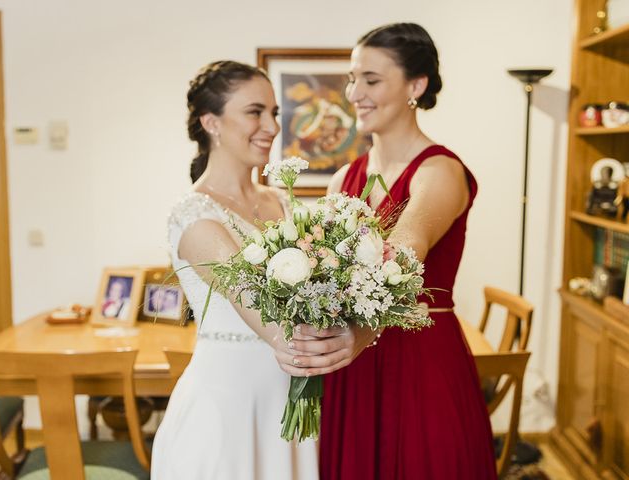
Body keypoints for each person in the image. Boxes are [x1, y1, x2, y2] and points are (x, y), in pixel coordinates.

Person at [274, 23, 497, 479]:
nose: (355, 92)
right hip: (352, 371)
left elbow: (406, 250)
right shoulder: (345, 177)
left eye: (371, 80)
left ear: (416, 86)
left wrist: (360, 334)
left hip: (420, 363)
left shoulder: (439, 171)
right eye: (353, 79)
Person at [151, 61, 318, 480]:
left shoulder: (282, 202)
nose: (272, 126)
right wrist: (325, 346)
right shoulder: (193, 214)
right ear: (212, 122)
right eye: (255, 111)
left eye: (274, 113)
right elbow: (253, 301)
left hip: (288, 400)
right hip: (225, 406)